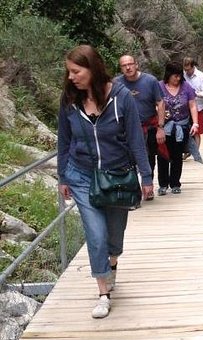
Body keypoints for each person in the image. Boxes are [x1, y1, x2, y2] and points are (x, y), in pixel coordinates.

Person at [57, 45, 152, 319]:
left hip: (117, 176)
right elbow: (64, 140)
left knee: (114, 236)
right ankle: (102, 292)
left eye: (77, 71)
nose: (72, 77)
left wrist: (146, 176)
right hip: (82, 175)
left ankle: (111, 264)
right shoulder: (69, 101)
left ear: (93, 68)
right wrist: (63, 175)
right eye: (69, 72)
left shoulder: (121, 97)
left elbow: (135, 137)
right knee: (95, 234)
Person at [115, 54, 166, 199]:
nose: (128, 67)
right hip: (126, 130)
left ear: (136, 64)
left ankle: (147, 186)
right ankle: (134, 191)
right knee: (128, 160)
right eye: (124, 65)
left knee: (149, 158)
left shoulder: (150, 81)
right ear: (121, 68)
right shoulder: (117, 83)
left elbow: (160, 103)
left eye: (130, 64)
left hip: (148, 126)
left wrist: (160, 127)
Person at [158, 61, 198, 195]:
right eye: (175, 76)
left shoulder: (186, 87)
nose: (178, 78)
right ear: (168, 75)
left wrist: (195, 123)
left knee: (177, 155)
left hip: (181, 126)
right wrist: (161, 114)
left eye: (179, 76)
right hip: (164, 126)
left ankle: (175, 183)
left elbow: (192, 105)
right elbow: (154, 103)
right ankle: (163, 184)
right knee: (163, 155)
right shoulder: (159, 86)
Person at [182, 57, 203, 160]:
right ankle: (186, 150)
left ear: (193, 67)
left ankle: (195, 152)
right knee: (185, 129)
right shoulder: (183, 75)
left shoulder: (200, 76)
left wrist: (196, 94)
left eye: (188, 69)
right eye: (185, 70)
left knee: (196, 131)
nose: (187, 72)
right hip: (185, 106)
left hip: (198, 107)